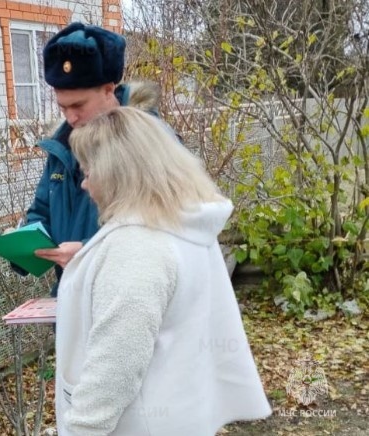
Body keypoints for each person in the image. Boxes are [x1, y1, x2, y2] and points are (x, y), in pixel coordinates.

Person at [54, 107, 272, 435]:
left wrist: (79, 430)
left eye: (88, 171)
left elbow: (115, 367)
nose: (85, 184)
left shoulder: (136, 246)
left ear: (116, 173)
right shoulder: (183, 226)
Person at [21, 22, 165, 294]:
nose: (70, 118)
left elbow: (163, 230)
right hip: (73, 302)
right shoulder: (61, 146)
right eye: (62, 107)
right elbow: (42, 212)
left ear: (109, 90)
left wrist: (89, 252)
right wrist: (24, 244)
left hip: (128, 299)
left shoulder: (151, 143)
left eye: (78, 105)